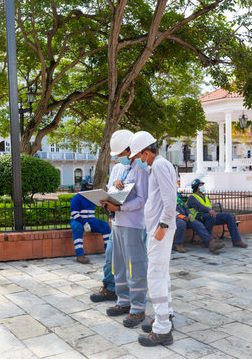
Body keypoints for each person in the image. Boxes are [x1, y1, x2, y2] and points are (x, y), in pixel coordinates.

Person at [129, 131, 176, 347]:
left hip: (160, 229)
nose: (139, 160)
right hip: (158, 228)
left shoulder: (158, 165)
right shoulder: (157, 165)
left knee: (155, 275)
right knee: (161, 274)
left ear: (147, 152)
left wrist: (163, 226)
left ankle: (162, 328)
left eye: (139, 156)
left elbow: (170, 198)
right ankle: (165, 316)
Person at [100, 129, 149, 328]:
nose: (119, 158)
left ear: (130, 151)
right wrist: (113, 190)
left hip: (133, 224)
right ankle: (123, 301)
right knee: (118, 264)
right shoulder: (117, 170)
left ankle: (138, 308)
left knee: (135, 265)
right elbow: (111, 189)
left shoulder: (141, 169)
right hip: (118, 223)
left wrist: (120, 207)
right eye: (118, 156)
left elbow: (142, 199)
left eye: (121, 155)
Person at [187, 179, 247, 248]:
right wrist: (209, 210)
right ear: (195, 187)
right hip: (197, 218)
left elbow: (209, 208)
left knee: (229, 216)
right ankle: (208, 242)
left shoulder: (205, 197)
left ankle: (237, 241)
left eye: (202, 185)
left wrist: (211, 211)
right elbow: (199, 207)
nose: (202, 186)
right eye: (200, 185)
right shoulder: (192, 197)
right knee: (210, 216)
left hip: (209, 216)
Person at [70, 179, 111, 264]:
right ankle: (80, 255)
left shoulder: (93, 197)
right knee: (78, 228)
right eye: (88, 186)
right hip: (77, 220)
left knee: (105, 226)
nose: (90, 188)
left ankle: (109, 251)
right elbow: (74, 213)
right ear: (84, 186)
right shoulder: (77, 197)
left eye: (91, 186)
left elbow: (101, 205)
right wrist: (84, 222)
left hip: (91, 220)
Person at [89, 228, 116, 302]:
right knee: (110, 254)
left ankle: (135, 294)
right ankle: (110, 289)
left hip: (135, 226)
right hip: (117, 225)